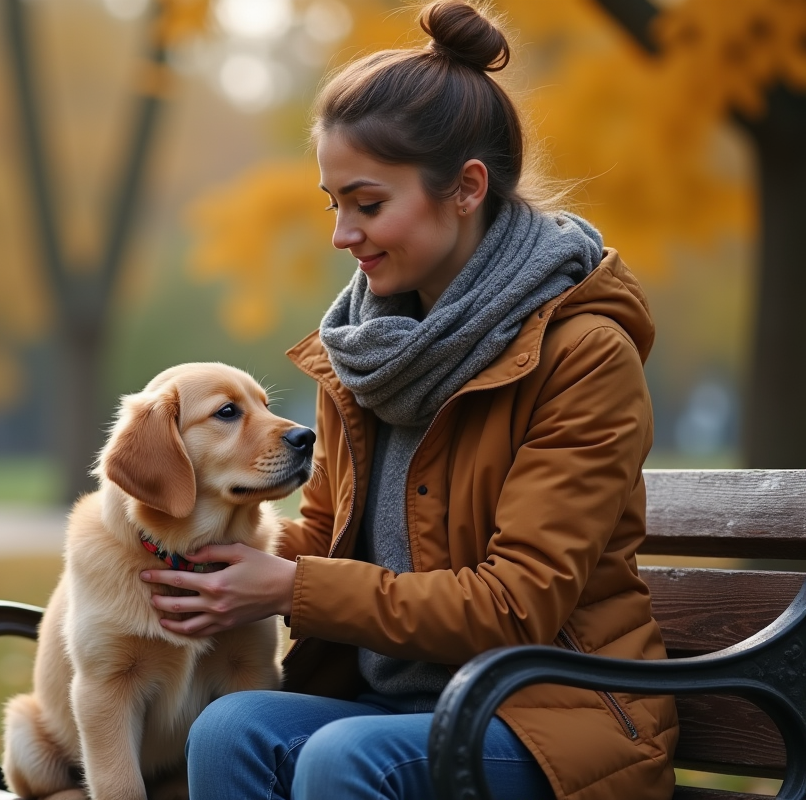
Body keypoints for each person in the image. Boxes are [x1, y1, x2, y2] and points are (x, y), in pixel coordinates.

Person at [138, 2, 678, 799]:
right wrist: (211, 565)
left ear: (465, 189)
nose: (341, 235)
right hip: (384, 705)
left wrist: (291, 589)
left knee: (344, 758)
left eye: (367, 204)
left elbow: (517, 603)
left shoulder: (582, 354)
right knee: (231, 728)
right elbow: (325, 529)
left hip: (554, 721)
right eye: (333, 205)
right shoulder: (364, 348)